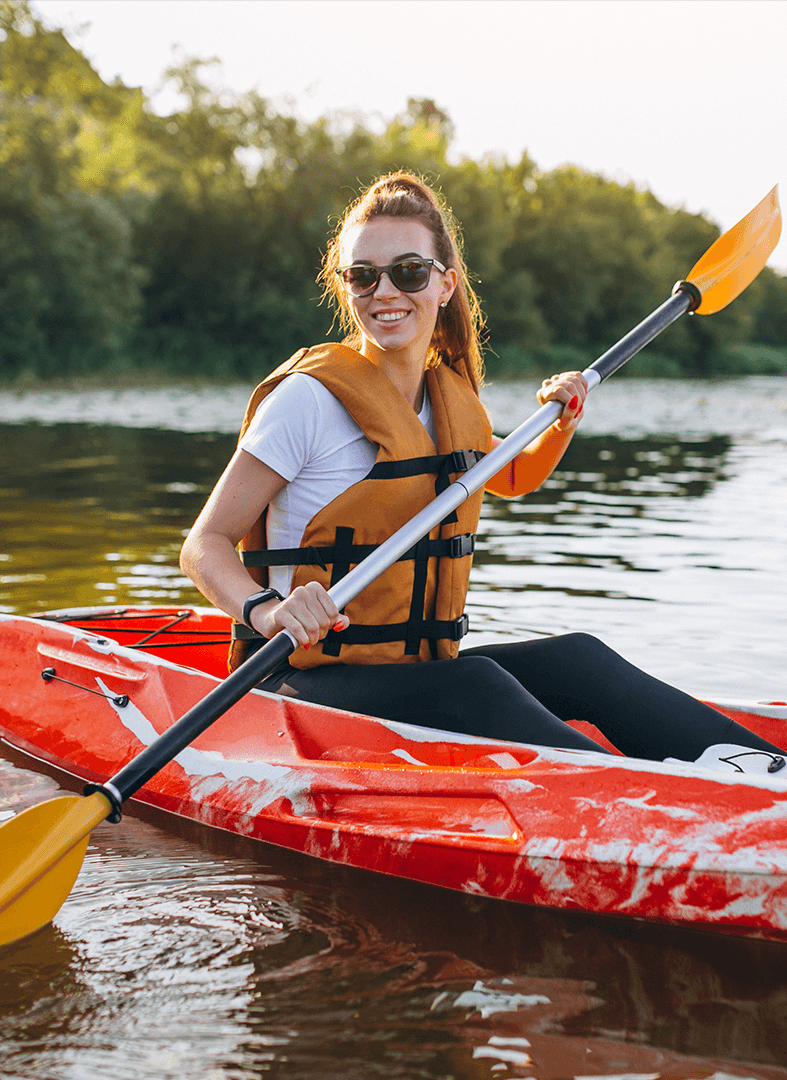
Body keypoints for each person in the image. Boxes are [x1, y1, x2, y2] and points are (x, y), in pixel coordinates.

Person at [180, 171, 783, 765]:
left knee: (579, 656)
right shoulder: (307, 402)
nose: (384, 291)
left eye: (408, 271)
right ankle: (675, 805)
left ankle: (766, 776)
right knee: (479, 685)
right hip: (299, 681)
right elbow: (203, 544)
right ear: (347, 288)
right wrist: (266, 609)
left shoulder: (447, 401)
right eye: (362, 277)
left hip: (416, 676)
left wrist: (560, 423)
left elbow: (515, 475)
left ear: (444, 284)